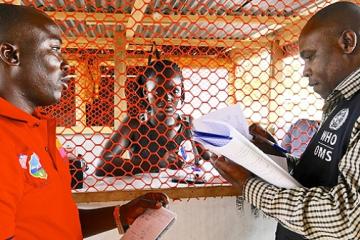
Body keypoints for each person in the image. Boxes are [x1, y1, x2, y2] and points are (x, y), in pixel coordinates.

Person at [0, 4, 168, 239]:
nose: (66, 63)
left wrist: (120, 214)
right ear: (11, 55)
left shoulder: (36, 128)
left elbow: (55, 220)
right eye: (55, 49)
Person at [210, 2, 360, 239]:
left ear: (347, 43)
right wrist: (274, 154)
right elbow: (322, 176)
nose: (305, 71)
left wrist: (251, 187)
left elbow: (349, 217)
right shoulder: (343, 103)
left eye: (310, 57)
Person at [97, 59, 202, 176]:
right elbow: (103, 164)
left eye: (174, 91)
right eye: (158, 91)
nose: (167, 98)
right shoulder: (134, 124)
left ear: (182, 92)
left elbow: (206, 158)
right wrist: (155, 163)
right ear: (146, 92)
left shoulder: (188, 124)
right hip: (145, 192)